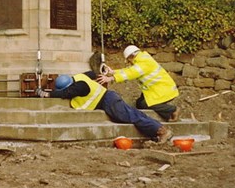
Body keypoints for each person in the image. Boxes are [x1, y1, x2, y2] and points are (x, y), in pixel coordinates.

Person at [36, 71, 173, 143]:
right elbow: (90, 73)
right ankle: (158, 129)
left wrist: (46, 94)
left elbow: (65, 93)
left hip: (107, 101)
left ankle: (160, 131)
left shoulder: (79, 86)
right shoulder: (79, 77)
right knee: (134, 114)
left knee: (130, 116)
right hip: (109, 97)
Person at [97, 45, 179, 122]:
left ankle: (173, 110)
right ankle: (168, 114)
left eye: (128, 59)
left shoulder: (144, 62)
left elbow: (131, 73)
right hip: (157, 89)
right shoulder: (141, 59)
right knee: (140, 103)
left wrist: (111, 78)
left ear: (132, 56)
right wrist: (113, 72)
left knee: (146, 104)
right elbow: (129, 70)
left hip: (163, 90)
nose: (129, 62)